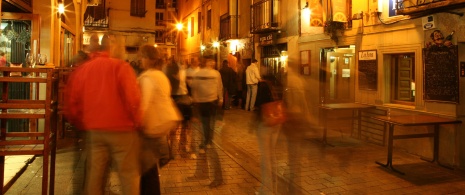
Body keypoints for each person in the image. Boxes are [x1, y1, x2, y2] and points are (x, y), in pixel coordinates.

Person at [64, 34, 142, 195]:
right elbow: (133, 99)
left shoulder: (84, 69)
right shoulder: (121, 67)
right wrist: (138, 122)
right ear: (112, 47)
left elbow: (72, 101)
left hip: (94, 131)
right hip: (122, 131)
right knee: (128, 175)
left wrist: (81, 124)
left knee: (95, 176)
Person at [137, 45, 181, 195]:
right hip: (162, 124)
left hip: (151, 126)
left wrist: (137, 125)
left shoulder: (148, 78)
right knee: (149, 169)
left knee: (148, 171)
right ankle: (164, 155)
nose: (140, 60)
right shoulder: (160, 75)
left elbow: (143, 104)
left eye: (142, 57)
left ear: (149, 59)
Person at [189, 57, 224, 188]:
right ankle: (207, 142)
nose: (213, 63)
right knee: (206, 130)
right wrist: (219, 99)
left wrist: (220, 99)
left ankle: (207, 142)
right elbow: (196, 89)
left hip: (208, 104)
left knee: (207, 130)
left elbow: (195, 89)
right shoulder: (213, 74)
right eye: (210, 61)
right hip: (208, 104)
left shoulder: (212, 74)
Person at [254, 74, 283, 195]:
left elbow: (258, 104)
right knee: (272, 156)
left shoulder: (263, 86)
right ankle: (274, 188)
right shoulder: (279, 84)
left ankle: (266, 191)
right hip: (277, 122)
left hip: (266, 123)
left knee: (265, 158)